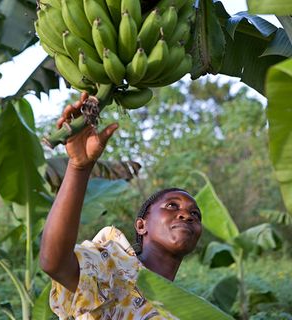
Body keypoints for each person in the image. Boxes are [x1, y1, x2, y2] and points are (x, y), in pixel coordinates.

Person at [39, 92, 203, 319]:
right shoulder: (114, 267)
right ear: (141, 225)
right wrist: (79, 167)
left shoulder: (184, 309)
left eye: (195, 213)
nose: (186, 215)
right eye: (172, 206)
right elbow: (54, 262)